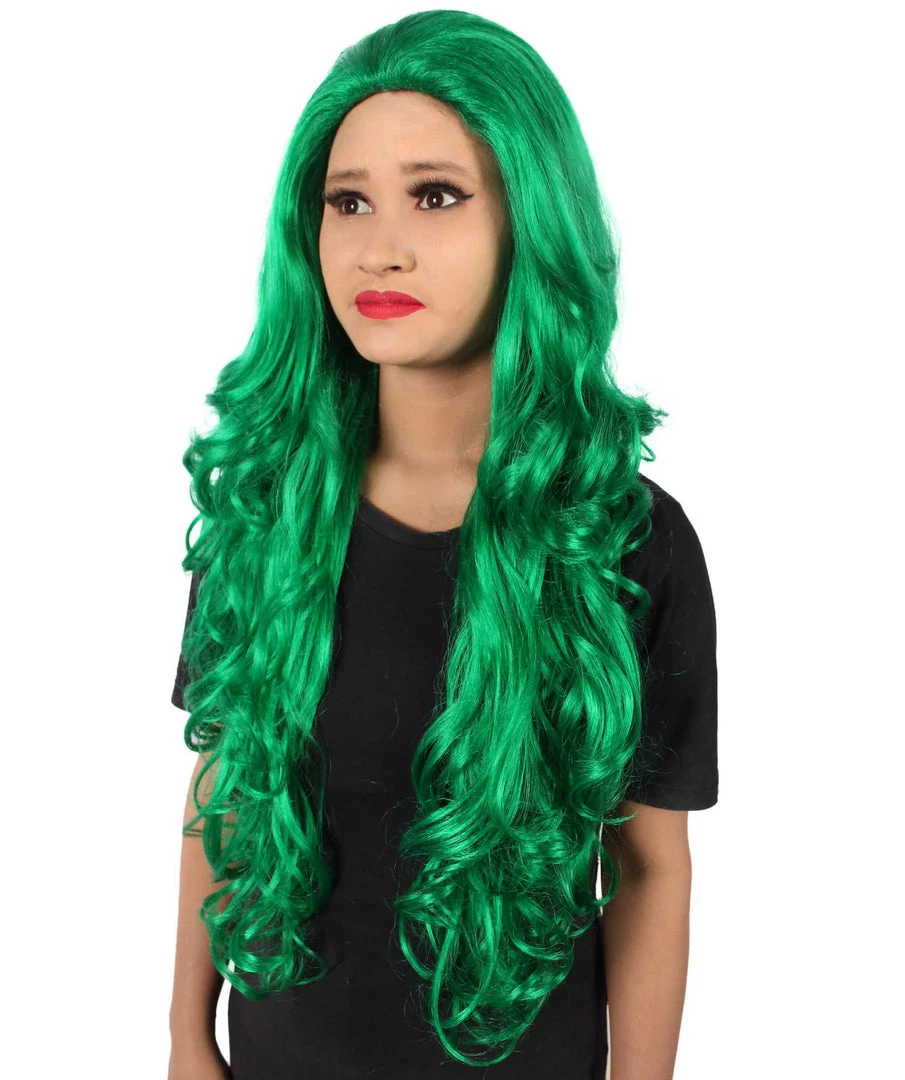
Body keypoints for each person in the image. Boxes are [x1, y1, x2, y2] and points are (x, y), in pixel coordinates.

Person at [167, 10, 718, 1080]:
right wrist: (187, 1033)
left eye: (435, 195)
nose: (380, 246)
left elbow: (650, 865)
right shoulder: (266, 516)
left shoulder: (623, 544)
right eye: (347, 202)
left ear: (529, 221)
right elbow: (223, 787)